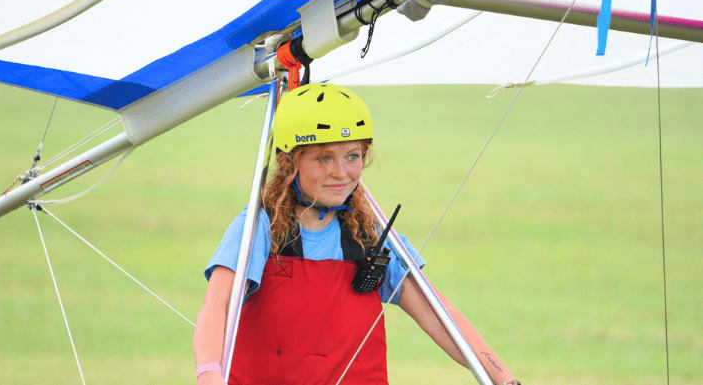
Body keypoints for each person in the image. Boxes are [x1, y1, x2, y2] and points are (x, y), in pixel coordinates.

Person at [193, 83, 520, 385]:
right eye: (324, 158)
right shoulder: (259, 228)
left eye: (352, 156)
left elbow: (439, 314)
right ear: (289, 161)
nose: (340, 173)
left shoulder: (369, 233)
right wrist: (209, 373)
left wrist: (503, 378)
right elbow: (218, 303)